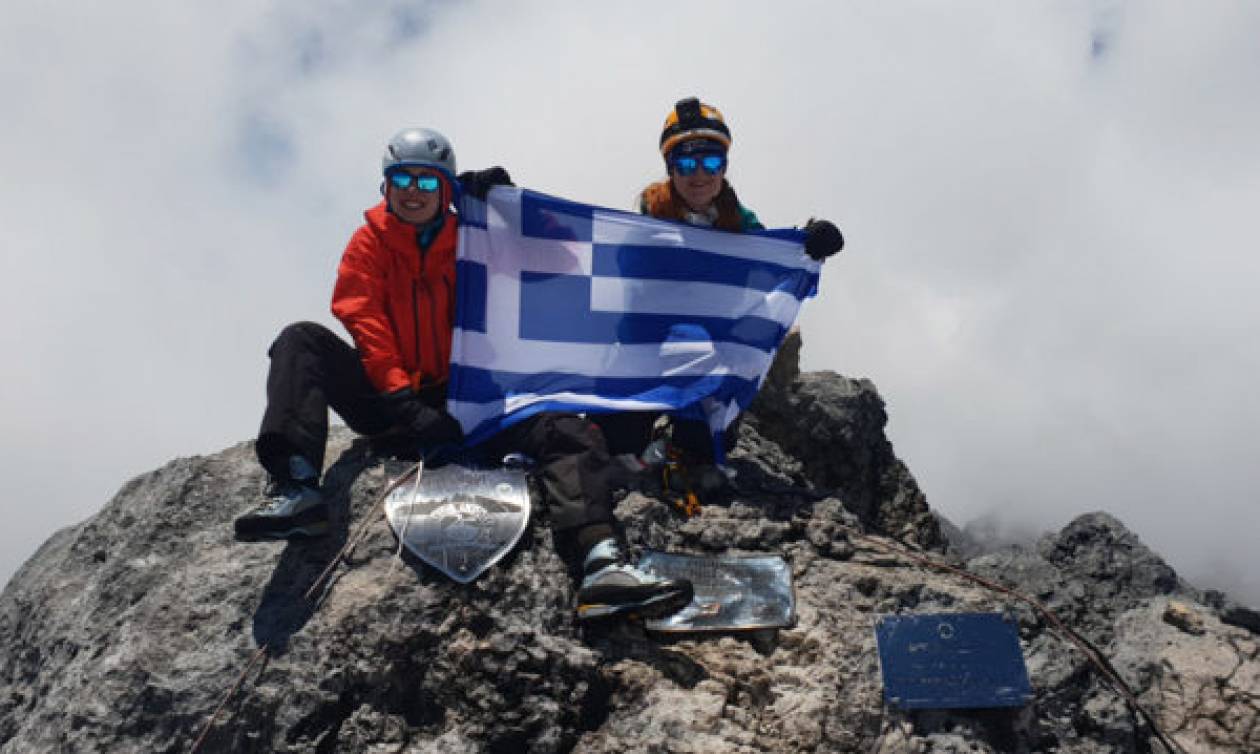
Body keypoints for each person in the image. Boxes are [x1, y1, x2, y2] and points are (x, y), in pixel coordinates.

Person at [234, 127, 692, 621]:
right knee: (301, 341)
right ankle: (297, 487)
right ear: (385, 187)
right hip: (393, 404)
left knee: (568, 430)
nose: (413, 192)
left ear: (447, 190)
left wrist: (511, 208)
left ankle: (599, 562)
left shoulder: (477, 238)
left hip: (472, 398)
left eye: (428, 183)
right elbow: (363, 318)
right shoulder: (369, 244)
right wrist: (402, 401)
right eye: (401, 180)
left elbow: (561, 259)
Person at [594, 97, 845, 473]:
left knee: (703, 449)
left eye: (711, 162)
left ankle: (679, 439)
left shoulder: (740, 224)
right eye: (685, 163)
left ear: (724, 166)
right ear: (670, 168)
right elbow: (616, 273)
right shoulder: (646, 224)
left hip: (708, 354)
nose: (699, 175)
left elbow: (771, 265)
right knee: (613, 444)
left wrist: (809, 245)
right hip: (643, 347)